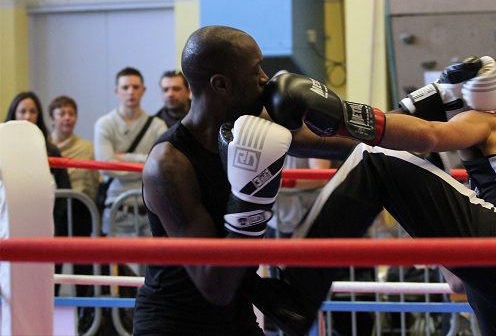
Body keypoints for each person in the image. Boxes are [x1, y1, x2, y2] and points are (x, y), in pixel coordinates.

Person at [253, 58, 496, 336]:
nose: (457, 114)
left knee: (375, 159)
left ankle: (296, 292)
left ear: (493, 101)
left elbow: (428, 135)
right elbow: (456, 281)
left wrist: (343, 115)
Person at [132, 26, 353, 335]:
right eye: (255, 71)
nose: (266, 79)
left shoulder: (252, 128)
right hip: (174, 322)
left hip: (235, 313)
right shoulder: (169, 165)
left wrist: (420, 118)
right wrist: (250, 201)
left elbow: (337, 142)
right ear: (221, 84)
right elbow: (214, 285)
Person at [4, 91, 72, 295]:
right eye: (22, 111)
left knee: (46, 288)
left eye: (32, 111)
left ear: (39, 116)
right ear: (13, 114)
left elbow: (63, 192)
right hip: (8, 226)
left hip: (45, 227)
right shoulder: (2, 147)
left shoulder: (51, 151)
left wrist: (51, 222)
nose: (27, 116)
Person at [48, 94, 101, 333]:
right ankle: (48, 321)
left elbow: (92, 183)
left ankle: (85, 323)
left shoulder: (86, 148)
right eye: (61, 114)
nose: (67, 119)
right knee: (52, 269)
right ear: (52, 118)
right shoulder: (46, 147)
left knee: (83, 270)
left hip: (81, 212)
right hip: (53, 214)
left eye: (71, 114)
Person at [94, 67, 167, 237]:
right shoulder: (104, 124)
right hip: (118, 209)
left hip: (151, 208)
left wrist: (124, 158)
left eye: (135, 87)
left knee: (154, 262)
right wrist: (145, 163)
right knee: (119, 264)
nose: (130, 92)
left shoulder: (158, 125)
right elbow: (106, 167)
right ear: (116, 91)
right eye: (125, 87)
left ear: (143, 90)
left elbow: (160, 166)